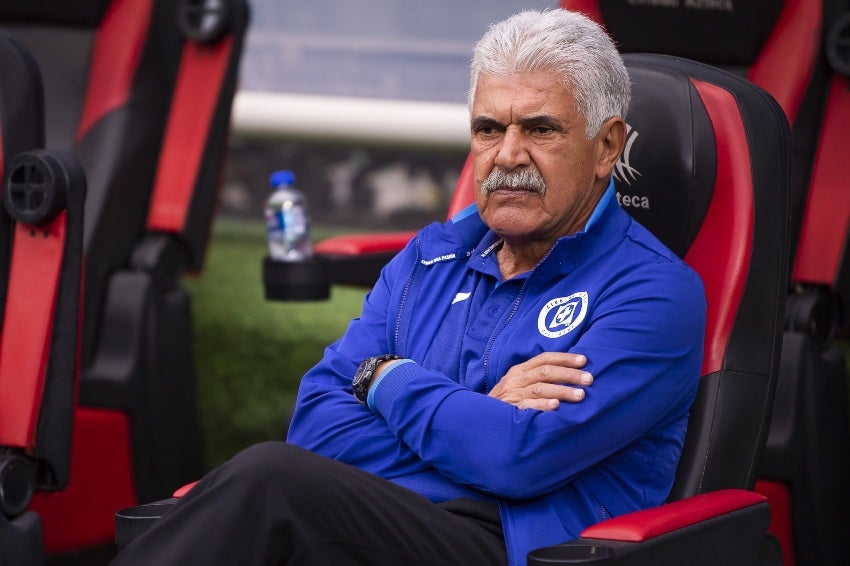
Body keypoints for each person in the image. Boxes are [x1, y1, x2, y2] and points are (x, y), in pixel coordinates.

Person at [112, 8, 705, 566]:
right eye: (488, 129)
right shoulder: (431, 255)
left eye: (540, 129)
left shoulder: (654, 293)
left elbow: (515, 460)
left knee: (268, 483)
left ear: (606, 146)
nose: (508, 155)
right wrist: (477, 415)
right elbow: (315, 424)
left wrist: (382, 378)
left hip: (515, 547)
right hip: (383, 521)